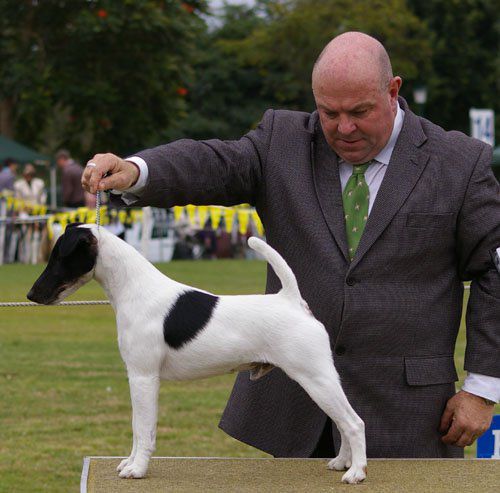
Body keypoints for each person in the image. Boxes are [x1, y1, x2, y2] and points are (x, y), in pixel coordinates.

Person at [82, 32, 499, 459]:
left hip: (409, 413)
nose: (344, 127)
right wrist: (137, 171)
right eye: (328, 112)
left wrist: (482, 388)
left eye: (359, 111)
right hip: (292, 412)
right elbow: (213, 163)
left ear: (393, 91)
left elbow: (494, 272)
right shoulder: (281, 140)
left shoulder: (460, 163)